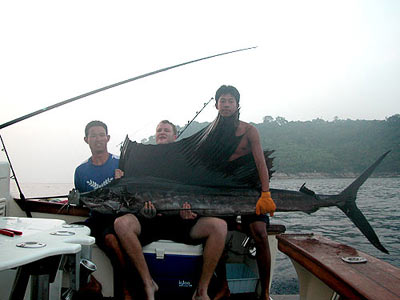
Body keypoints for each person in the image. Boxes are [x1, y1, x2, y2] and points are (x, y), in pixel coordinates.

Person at [114, 120, 228, 300]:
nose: (162, 132)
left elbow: (196, 195)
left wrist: (191, 214)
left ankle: (201, 291)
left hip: (181, 224)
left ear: (175, 137)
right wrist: (143, 210)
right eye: (159, 129)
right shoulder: (143, 161)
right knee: (121, 224)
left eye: (166, 130)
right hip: (151, 223)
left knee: (219, 226)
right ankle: (148, 282)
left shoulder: (186, 161)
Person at [212, 85, 276, 300]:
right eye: (223, 100)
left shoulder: (249, 130)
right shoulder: (211, 133)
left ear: (237, 104)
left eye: (230, 100)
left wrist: (265, 193)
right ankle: (223, 287)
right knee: (216, 233)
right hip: (222, 195)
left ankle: (265, 290)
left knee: (259, 232)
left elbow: (260, 163)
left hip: (250, 192)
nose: (227, 104)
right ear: (216, 105)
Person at [74, 120, 130, 299]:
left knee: (111, 239)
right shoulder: (80, 171)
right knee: (68, 235)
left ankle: (127, 289)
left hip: (116, 218)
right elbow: (82, 202)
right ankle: (90, 281)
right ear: (86, 139)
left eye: (101, 135)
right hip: (95, 218)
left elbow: (130, 196)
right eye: (93, 135)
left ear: (108, 138)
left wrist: (122, 181)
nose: (97, 139)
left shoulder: (121, 163)